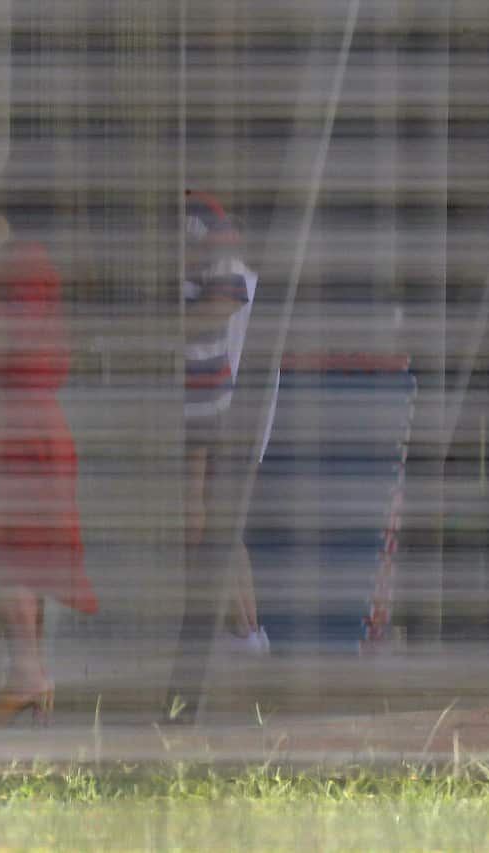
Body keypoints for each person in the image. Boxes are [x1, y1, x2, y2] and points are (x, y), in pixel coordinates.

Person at [0, 189, 98, 725]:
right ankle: (29, 675)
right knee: (16, 551)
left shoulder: (26, 264)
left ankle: (29, 673)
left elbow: (18, 340)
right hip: (10, 427)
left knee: (10, 551)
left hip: (17, 430)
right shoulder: (27, 265)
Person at [180, 191, 275, 655]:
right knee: (222, 521)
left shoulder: (232, 279)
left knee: (214, 520)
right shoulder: (243, 279)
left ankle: (240, 627)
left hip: (226, 406)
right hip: (232, 407)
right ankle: (246, 629)